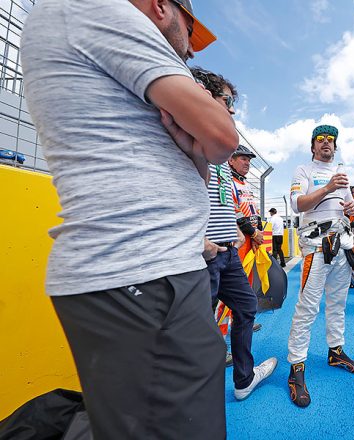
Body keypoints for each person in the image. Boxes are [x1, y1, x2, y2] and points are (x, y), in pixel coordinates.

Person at [21, 0, 239, 438]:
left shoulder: (112, 59)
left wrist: (197, 151)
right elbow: (222, 135)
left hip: (150, 269)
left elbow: (203, 158)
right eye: (189, 32)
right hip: (142, 270)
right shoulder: (103, 11)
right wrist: (206, 135)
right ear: (160, 7)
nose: (189, 51)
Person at [192, 67, 277, 399]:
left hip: (227, 252)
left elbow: (226, 202)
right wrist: (201, 242)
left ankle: (243, 379)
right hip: (205, 255)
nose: (232, 111)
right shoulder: (189, 141)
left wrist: (236, 231)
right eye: (227, 101)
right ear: (204, 96)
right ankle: (196, 400)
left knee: (246, 306)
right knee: (196, 329)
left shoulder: (219, 156)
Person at [288, 124, 354, 408]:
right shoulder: (303, 170)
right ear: (313, 146)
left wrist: (353, 208)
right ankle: (296, 366)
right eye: (320, 139)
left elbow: (350, 207)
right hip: (317, 246)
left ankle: (336, 351)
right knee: (307, 308)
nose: (326, 143)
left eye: (331, 139)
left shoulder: (342, 174)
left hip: (341, 245)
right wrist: (329, 187)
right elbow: (298, 204)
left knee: (337, 304)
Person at [230, 144, 265, 284]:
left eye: (249, 160)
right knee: (237, 282)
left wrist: (258, 233)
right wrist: (254, 233)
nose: (247, 163)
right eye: (243, 159)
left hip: (251, 238)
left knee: (249, 280)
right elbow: (235, 212)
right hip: (239, 239)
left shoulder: (246, 183)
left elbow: (255, 210)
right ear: (231, 160)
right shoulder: (228, 182)